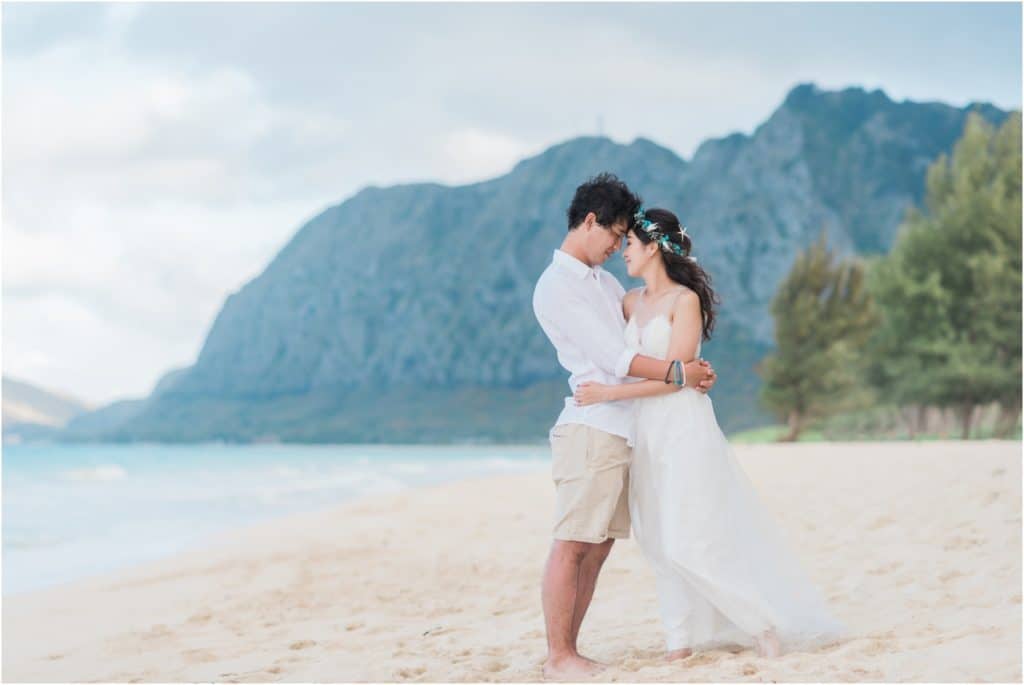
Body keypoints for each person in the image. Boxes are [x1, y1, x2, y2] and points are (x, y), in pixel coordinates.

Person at [574, 207, 845, 660]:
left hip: (682, 425)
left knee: (690, 534)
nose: (624, 252)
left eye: (632, 244)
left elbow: (676, 376)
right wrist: (627, 388)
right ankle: (680, 641)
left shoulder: (684, 301)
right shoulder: (628, 302)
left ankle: (763, 625)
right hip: (643, 431)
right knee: (657, 538)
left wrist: (608, 394)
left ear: (654, 247)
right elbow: (645, 364)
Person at [531, 176, 718, 679]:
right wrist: (681, 373)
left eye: (624, 239)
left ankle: (570, 648)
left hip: (626, 430)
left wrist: (684, 363)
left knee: (598, 546)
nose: (618, 246)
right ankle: (558, 656)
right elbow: (614, 358)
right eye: (614, 234)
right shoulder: (558, 285)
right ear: (588, 221)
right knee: (573, 542)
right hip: (591, 426)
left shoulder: (605, 283)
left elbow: (648, 335)